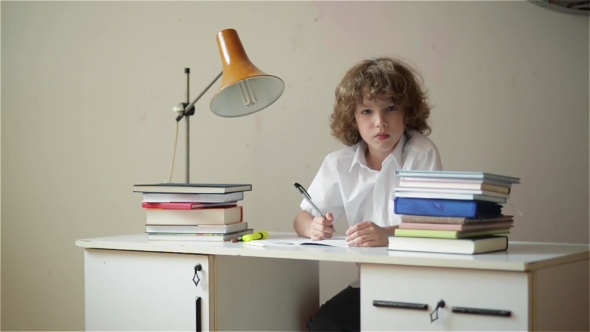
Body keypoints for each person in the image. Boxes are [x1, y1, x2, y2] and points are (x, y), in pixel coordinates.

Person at [293, 56, 443, 331]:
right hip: (370, 283)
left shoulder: (421, 153)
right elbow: (302, 218)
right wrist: (313, 227)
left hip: (420, 283)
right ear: (352, 117)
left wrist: (387, 234)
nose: (380, 122)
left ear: (407, 113)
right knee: (324, 324)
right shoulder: (338, 164)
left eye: (391, 108)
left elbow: (432, 228)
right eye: (367, 112)